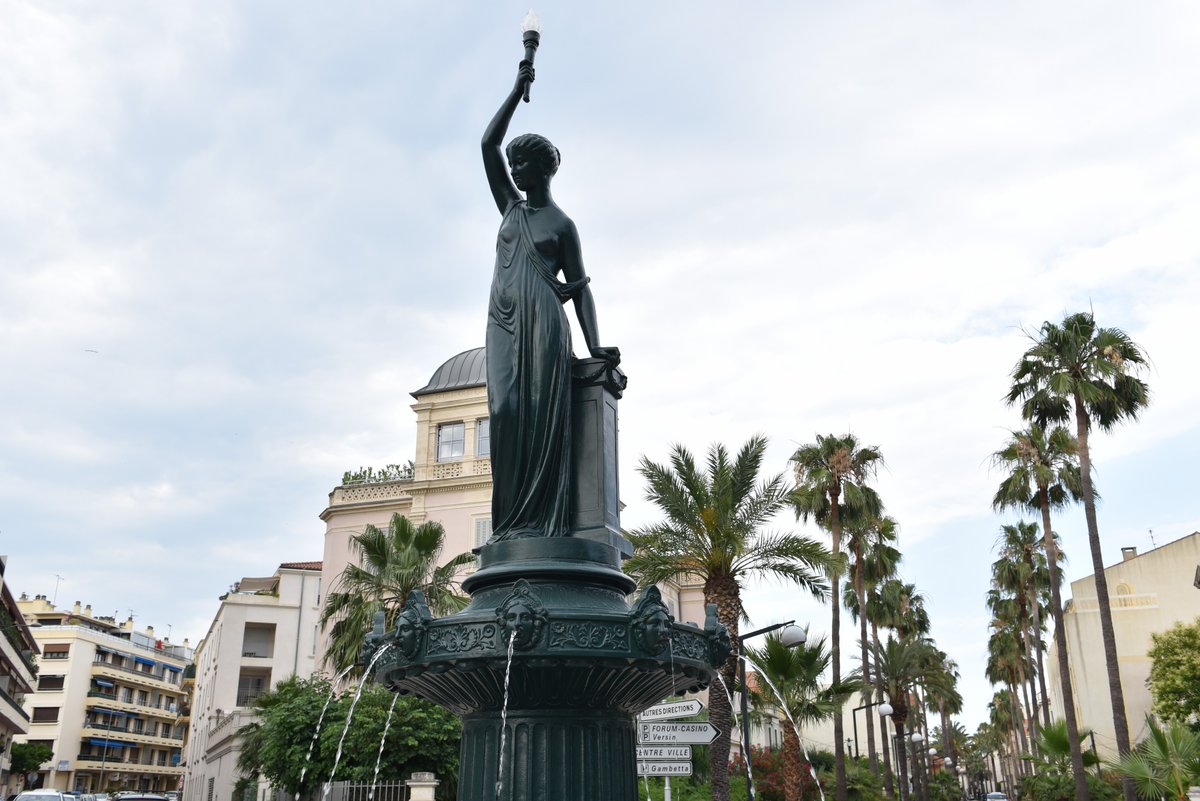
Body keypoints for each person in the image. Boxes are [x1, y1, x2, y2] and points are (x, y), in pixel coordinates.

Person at [481, 60, 619, 541]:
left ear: (543, 169)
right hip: (503, 323)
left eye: (523, 164)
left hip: (545, 326)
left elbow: (581, 289)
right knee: (505, 413)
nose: (515, 170)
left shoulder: (562, 226)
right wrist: (517, 90)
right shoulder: (509, 207)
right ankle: (510, 523)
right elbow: (486, 145)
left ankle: (537, 525)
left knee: (539, 419)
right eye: (513, 164)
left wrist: (595, 345)